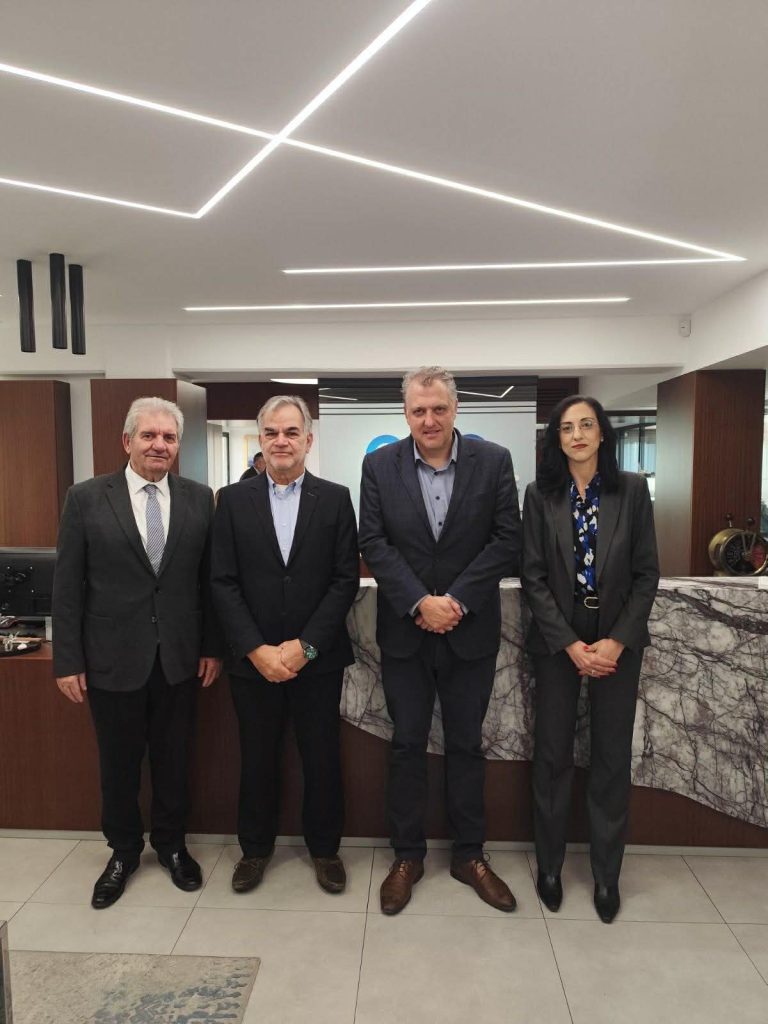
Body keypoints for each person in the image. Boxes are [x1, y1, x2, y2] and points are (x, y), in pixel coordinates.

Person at [359, 366, 521, 915]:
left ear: (455, 409)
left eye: (439, 409)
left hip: (469, 630)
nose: (429, 420)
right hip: (405, 633)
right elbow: (373, 541)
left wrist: (455, 600)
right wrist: (418, 601)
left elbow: (507, 539)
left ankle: (469, 855)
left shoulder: (493, 461)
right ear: (406, 414)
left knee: (467, 746)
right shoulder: (380, 465)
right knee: (406, 746)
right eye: (418, 411)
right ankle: (407, 856)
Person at [53, 397, 223, 909]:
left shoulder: (200, 499)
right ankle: (123, 852)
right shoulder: (86, 498)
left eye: (169, 437)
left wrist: (211, 646)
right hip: (111, 657)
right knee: (119, 765)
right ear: (127, 441)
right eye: (149, 436)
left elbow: (208, 582)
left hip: (179, 657)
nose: (159, 445)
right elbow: (67, 585)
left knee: (174, 760)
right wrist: (68, 660)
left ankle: (172, 846)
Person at [211, 395, 359, 895]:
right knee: (257, 759)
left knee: (322, 759)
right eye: (272, 432)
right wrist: (256, 649)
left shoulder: (335, 498)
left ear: (308, 440)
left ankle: (325, 850)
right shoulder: (232, 500)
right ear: (261, 439)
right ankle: (254, 850)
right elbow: (222, 581)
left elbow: (344, 580)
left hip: (317, 660)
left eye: (291, 432)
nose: (281, 441)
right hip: (253, 662)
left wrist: (306, 647)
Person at [521, 395, 659, 923]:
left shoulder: (632, 491)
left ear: (603, 433)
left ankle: (606, 876)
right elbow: (533, 576)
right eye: (566, 427)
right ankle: (550, 868)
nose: (577, 434)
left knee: (610, 758)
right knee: (552, 756)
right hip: (559, 637)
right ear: (557, 439)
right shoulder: (540, 495)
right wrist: (569, 644)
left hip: (617, 634)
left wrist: (618, 641)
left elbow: (646, 573)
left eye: (586, 425)